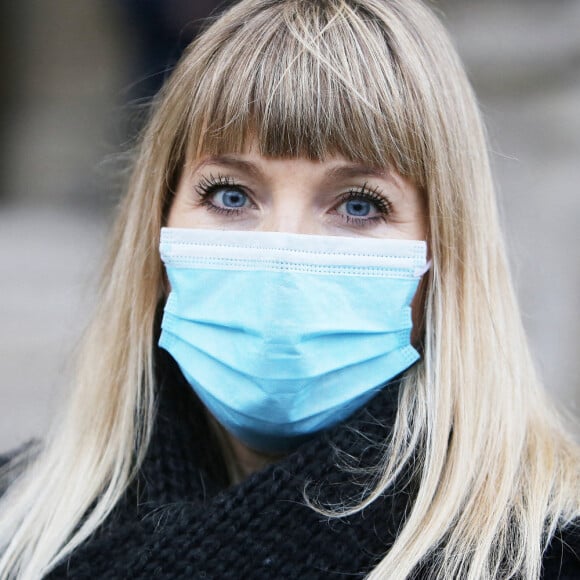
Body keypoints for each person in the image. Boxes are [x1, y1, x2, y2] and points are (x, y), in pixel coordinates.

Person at [1, 0, 579, 577]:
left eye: (358, 205)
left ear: (444, 253)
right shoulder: (17, 528)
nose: (282, 255)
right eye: (231, 195)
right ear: (158, 222)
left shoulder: (547, 554)